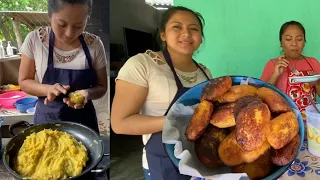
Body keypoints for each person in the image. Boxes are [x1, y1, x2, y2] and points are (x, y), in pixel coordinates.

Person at [111, 6, 213, 180]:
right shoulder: (142, 64)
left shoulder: (205, 72)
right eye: (177, 26)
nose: (186, 34)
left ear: (201, 39)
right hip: (163, 163)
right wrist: (178, 120)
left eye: (194, 29)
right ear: (163, 34)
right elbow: (120, 123)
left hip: (200, 162)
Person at [18, 0, 108, 134]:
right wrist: (48, 89)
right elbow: (24, 82)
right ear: (49, 15)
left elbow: (102, 86)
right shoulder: (35, 40)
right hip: (47, 120)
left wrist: (88, 94)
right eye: (62, 24)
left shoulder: (94, 44)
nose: (69, 33)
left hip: (84, 121)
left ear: (86, 19)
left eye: (78, 26)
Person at [261, 20, 320, 121]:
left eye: (299, 39)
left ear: (304, 42)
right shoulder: (272, 64)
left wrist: (317, 83)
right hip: (282, 122)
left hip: (310, 122)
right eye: (288, 39)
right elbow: (261, 95)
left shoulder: (313, 62)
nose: (294, 44)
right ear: (281, 42)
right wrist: (275, 74)